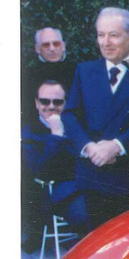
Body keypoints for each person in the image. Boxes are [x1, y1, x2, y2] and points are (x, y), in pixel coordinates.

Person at [61, 7, 129, 231]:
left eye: (113, 35)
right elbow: (70, 115)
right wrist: (89, 148)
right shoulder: (85, 71)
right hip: (94, 175)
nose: (105, 42)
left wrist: (117, 146)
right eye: (100, 35)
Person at [21, 80, 84, 249]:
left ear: (65, 103)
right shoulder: (28, 133)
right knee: (89, 218)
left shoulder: (75, 123)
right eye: (44, 101)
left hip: (90, 184)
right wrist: (56, 135)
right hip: (60, 192)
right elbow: (41, 171)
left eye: (57, 102)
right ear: (36, 103)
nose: (51, 106)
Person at [23, 27, 76, 122]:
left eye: (56, 44)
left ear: (63, 46)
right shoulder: (27, 75)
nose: (52, 49)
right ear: (37, 49)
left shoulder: (78, 71)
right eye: (46, 45)